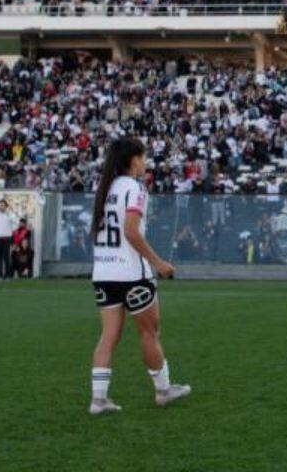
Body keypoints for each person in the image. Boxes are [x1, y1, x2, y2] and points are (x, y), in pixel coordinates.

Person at [88, 136, 190, 415]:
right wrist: (158, 263)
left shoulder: (104, 190)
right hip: (132, 273)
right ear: (133, 160)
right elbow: (131, 231)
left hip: (103, 272)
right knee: (149, 332)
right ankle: (164, 390)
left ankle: (98, 400)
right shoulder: (135, 189)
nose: (145, 163)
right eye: (143, 157)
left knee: (108, 335)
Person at [0, 199, 15, 280]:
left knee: (6, 257)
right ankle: (0, 275)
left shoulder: (10, 214)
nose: (0, 207)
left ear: (6, 206)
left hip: (7, 238)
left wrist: (9, 214)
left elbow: (15, 221)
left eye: (2, 205)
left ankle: (7, 275)